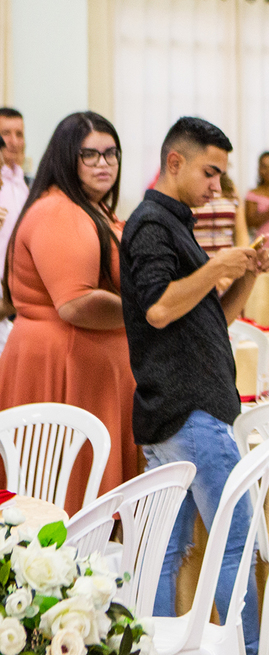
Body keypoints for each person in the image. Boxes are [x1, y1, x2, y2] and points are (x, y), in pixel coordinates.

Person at [120, 116, 269, 655]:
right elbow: (159, 309)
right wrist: (218, 265)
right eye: (210, 172)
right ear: (175, 161)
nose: (217, 186)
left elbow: (214, 320)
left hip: (175, 412)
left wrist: (246, 274)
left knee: (167, 552)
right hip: (189, 413)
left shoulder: (173, 223)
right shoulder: (151, 224)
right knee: (233, 546)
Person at [0, 111, 138, 514]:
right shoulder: (58, 211)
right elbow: (75, 304)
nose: (103, 163)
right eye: (90, 154)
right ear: (66, 157)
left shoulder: (94, 209)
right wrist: (147, 313)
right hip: (62, 364)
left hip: (90, 365)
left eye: (111, 153)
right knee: (61, 502)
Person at [0, 108, 29, 351]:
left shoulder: (25, 184)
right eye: (5, 133)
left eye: (19, 134)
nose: (13, 141)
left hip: (19, 292)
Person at [192, 173, 246, 255]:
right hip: (196, 260)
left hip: (227, 260)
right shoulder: (190, 186)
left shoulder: (230, 188)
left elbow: (241, 235)